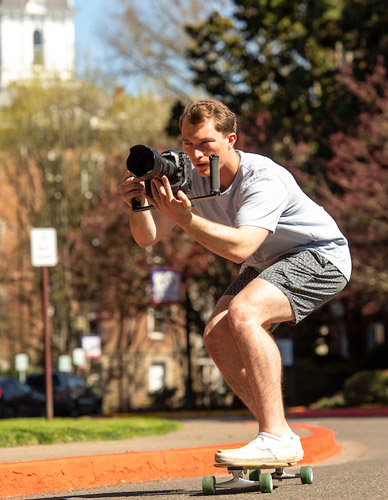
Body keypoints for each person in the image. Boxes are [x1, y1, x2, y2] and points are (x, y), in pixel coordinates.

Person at [119, 99, 351, 466]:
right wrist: (141, 206)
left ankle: (274, 436)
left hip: (320, 256)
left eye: (205, 144)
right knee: (216, 335)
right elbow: (148, 238)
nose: (195, 154)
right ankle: (278, 437)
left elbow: (241, 246)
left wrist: (187, 219)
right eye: (187, 143)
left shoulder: (262, 178)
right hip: (267, 262)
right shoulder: (188, 176)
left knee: (244, 312)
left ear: (231, 139)